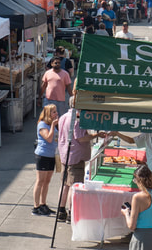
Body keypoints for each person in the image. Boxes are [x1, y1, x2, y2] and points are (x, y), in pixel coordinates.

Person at [55, 94, 102, 222]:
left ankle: (60, 210)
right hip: (75, 157)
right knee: (73, 186)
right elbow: (81, 138)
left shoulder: (63, 117)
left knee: (64, 184)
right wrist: (95, 135)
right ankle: (71, 213)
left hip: (65, 155)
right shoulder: (76, 120)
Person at [32, 104, 59, 216]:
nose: (56, 113)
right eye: (53, 112)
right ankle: (36, 206)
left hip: (52, 155)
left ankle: (43, 204)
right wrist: (53, 125)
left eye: (56, 111)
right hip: (43, 155)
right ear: (48, 113)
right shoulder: (42, 124)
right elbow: (48, 138)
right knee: (40, 181)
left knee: (47, 181)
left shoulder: (54, 125)